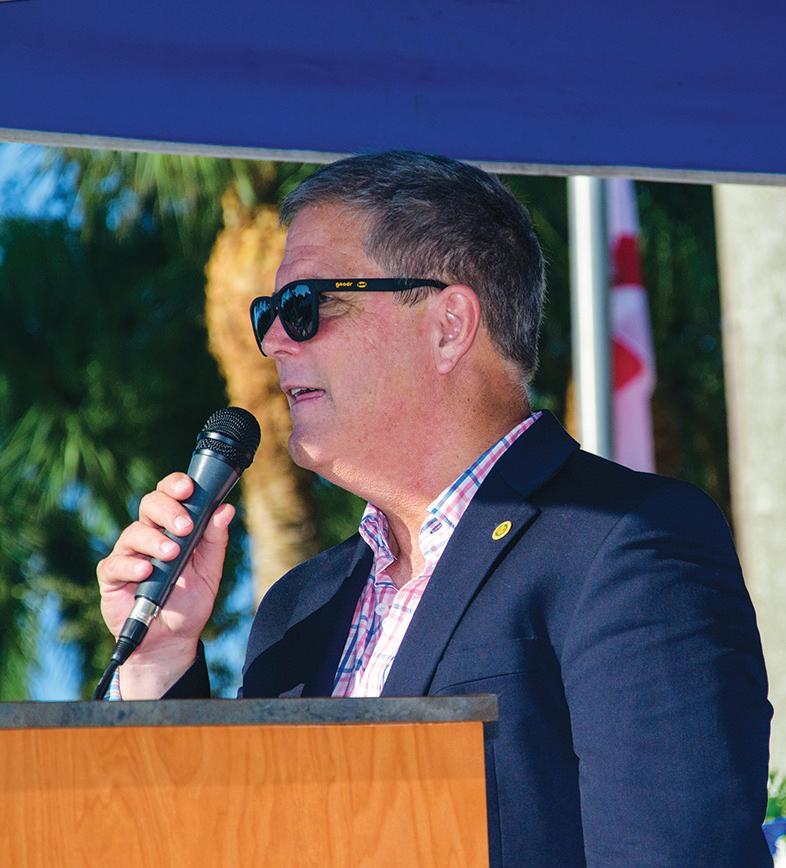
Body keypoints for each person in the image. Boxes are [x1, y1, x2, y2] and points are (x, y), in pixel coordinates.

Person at [96, 151, 772, 866]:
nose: (272, 341)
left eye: (304, 306)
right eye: (269, 313)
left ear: (449, 325)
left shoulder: (625, 544)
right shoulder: (298, 608)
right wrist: (160, 660)